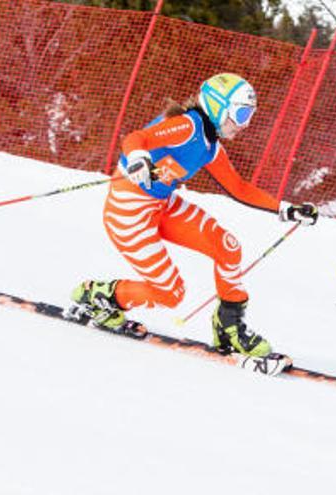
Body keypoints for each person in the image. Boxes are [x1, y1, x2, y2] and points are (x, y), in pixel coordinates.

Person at [70, 73, 318, 357]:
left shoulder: (210, 146)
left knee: (227, 248)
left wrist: (286, 209)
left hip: (161, 206)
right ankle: (99, 297)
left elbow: (238, 187)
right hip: (129, 212)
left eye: (249, 115)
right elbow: (136, 138)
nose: (245, 123)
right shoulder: (187, 126)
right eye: (240, 113)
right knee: (171, 294)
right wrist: (139, 158)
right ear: (217, 106)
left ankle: (229, 328)